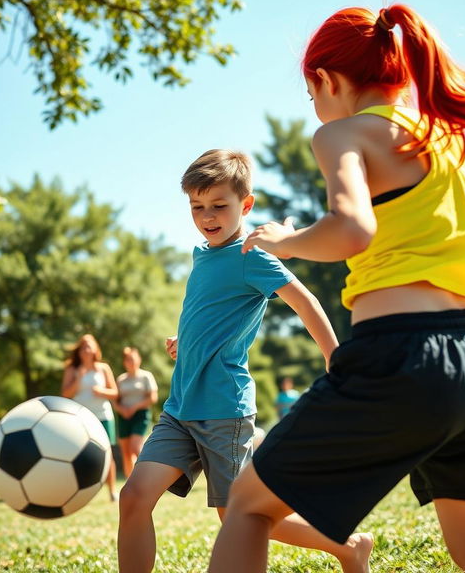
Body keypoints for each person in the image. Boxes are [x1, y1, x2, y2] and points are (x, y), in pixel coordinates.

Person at [208, 4, 465, 573]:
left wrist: (286, 239)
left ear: (325, 80)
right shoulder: (445, 141)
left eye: (312, 96)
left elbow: (352, 229)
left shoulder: (341, 134)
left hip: (405, 357)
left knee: (246, 508)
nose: (317, 109)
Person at [118, 149, 373, 573]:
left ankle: (347, 546)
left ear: (246, 204)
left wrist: (334, 357)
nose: (207, 215)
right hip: (180, 407)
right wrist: (189, 341)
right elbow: (214, 312)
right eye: (197, 207)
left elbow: (305, 302)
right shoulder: (202, 255)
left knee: (238, 517)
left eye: (219, 205)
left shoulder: (251, 256)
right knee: (134, 497)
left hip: (223, 410)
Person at [61, 333, 119, 501]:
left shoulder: (103, 369)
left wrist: (102, 392)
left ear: (95, 349)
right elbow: (65, 394)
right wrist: (78, 379)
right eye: (83, 346)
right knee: (79, 455)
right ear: (79, 351)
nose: (86, 349)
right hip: (80, 418)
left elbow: (115, 393)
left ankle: (112, 491)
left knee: (107, 454)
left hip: (103, 416)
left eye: (89, 346)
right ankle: (81, 492)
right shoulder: (72, 369)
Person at [115, 346, 158, 478]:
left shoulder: (146, 376)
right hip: (123, 416)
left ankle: (148, 476)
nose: (131, 362)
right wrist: (122, 410)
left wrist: (134, 407)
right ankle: (131, 482)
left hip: (140, 415)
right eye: (128, 360)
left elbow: (153, 397)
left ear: (138, 360)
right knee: (126, 452)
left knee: (135, 447)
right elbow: (115, 400)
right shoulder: (121, 379)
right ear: (124, 362)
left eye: (133, 359)